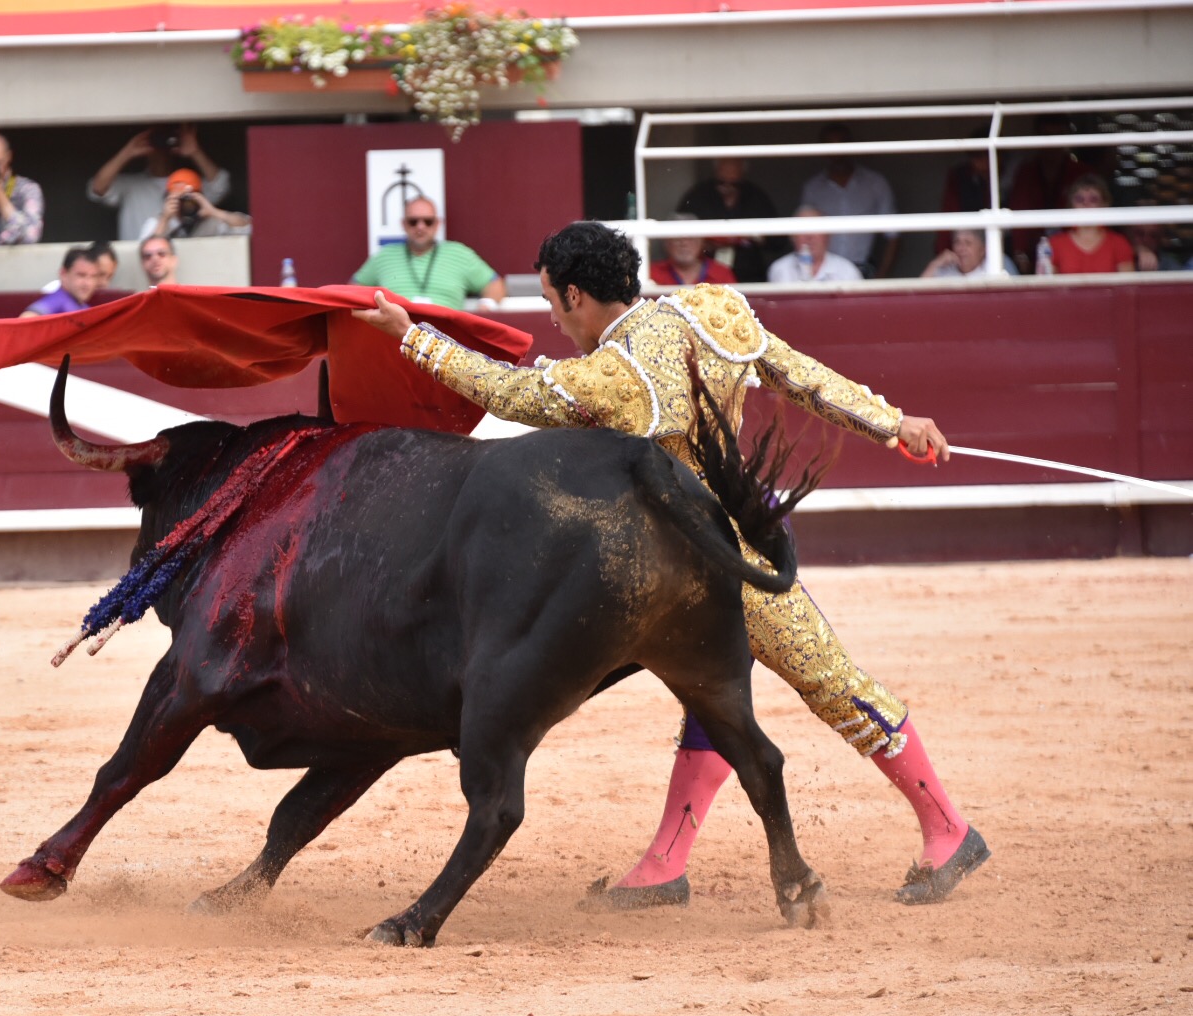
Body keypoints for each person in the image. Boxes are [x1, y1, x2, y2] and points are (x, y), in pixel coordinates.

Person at [353, 221, 988, 907]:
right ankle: (664, 864)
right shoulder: (710, 310)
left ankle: (948, 827)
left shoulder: (613, 375)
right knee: (709, 695)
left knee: (829, 681)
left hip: (719, 560)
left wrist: (408, 334)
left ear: (576, 296)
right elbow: (801, 377)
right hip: (689, 559)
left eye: (550, 302)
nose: (554, 320)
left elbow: (505, 393)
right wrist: (894, 424)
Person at [351, 197, 507, 310]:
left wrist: (486, 307)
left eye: (428, 221)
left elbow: (494, 283)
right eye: (413, 221)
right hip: (393, 338)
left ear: (438, 223)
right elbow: (353, 289)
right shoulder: (384, 256)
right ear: (404, 224)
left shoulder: (459, 253)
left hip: (446, 341)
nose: (421, 227)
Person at [88, 124, 230, 241]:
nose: (161, 149)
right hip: (139, 259)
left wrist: (195, 152)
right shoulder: (131, 185)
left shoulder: (189, 184)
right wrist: (128, 152)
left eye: (167, 142)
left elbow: (220, 186)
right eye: (156, 142)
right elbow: (98, 187)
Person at [799, 123, 899, 278]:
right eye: (830, 146)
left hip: (864, 268)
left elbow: (893, 235)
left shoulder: (875, 183)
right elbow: (803, 232)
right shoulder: (812, 188)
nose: (837, 152)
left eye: (842, 144)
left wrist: (882, 275)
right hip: (825, 271)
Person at [1007, 114, 1097, 275]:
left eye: (1058, 135)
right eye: (1047, 135)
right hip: (1033, 249)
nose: (1052, 143)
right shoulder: (1026, 172)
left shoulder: (1081, 172)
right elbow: (1017, 211)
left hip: (1074, 247)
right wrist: (1020, 252)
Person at [675, 157, 785, 283]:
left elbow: (779, 242)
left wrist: (754, 236)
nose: (727, 187)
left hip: (749, 274)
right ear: (715, 173)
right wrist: (704, 243)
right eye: (721, 183)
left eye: (734, 184)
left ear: (742, 177)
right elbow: (678, 233)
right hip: (707, 275)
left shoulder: (757, 197)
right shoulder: (697, 196)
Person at [1049, 175, 1135, 275]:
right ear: (1071, 205)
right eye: (1079, 199)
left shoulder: (1119, 243)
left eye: (1093, 199)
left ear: (1104, 205)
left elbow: (1128, 288)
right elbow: (1049, 287)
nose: (1086, 204)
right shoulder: (1055, 244)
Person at [141, 168, 252, 240]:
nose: (184, 204)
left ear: (199, 197)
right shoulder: (156, 222)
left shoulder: (211, 221)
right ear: (168, 198)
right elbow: (147, 250)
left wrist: (213, 211)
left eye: (187, 198)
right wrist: (165, 219)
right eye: (178, 198)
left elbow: (250, 227)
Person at [935, 126, 994, 252]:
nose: (983, 161)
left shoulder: (1013, 175)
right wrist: (943, 252)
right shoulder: (960, 177)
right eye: (976, 155)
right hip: (968, 248)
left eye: (986, 154)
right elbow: (949, 216)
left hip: (1000, 245)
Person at [766, 207, 863, 283]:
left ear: (827, 235)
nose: (809, 236)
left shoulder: (847, 271)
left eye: (816, 228)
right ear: (792, 237)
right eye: (802, 229)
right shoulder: (780, 269)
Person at [648, 213, 737, 287]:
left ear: (702, 242)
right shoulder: (650, 274)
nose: (684, 243)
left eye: (690, 237)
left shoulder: (722, 274)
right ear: (666, 243)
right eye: (677, 238)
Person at [22, 247, 101, 317]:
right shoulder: (57, 300)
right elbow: (26, 319)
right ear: (63, 274)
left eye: (93, 277)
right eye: (81, 275)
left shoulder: (84, 307)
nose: (87, 283)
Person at [921, 230, 1018, 278]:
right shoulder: (945, 270)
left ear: (982, 250)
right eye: (957, 242)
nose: (961, 248)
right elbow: (917, 296)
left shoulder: (997, 266)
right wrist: (935, 264)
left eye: (968, 243)